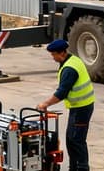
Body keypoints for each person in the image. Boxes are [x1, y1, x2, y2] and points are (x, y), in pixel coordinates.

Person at [36, 39, 95, 171]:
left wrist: (45, 104)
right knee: (71, 139)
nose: (52, 57)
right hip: (79, 107)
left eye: (54, 54)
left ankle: (82, 168)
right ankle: (74, 167)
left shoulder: (69, 69)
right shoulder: (71, 59)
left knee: (76, 140)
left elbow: (61, 93)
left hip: (82, 108)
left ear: (62, 53)